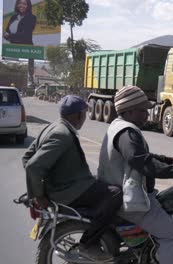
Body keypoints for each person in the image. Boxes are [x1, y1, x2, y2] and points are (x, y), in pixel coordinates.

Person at [97, 85, 173, 264]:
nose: (146, 115)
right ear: (129, 111)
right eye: (142, 111)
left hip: (117, 193)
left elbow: (141, 155)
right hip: (130, 202)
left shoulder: (119, 126)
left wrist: (170, 160)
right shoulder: (127, 132)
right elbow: (142, 161)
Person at [22, 95, 123, 262]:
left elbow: (27, 157)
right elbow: (33, 166)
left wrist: (46, 183)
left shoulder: (53, 127)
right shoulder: (63, 134)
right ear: (78, 115)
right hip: (67, 190)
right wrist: (39, 195)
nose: (85, 118)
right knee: (115, 193)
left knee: (103, 185)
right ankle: (89, 242)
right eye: (84, 113)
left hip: (63, 185)